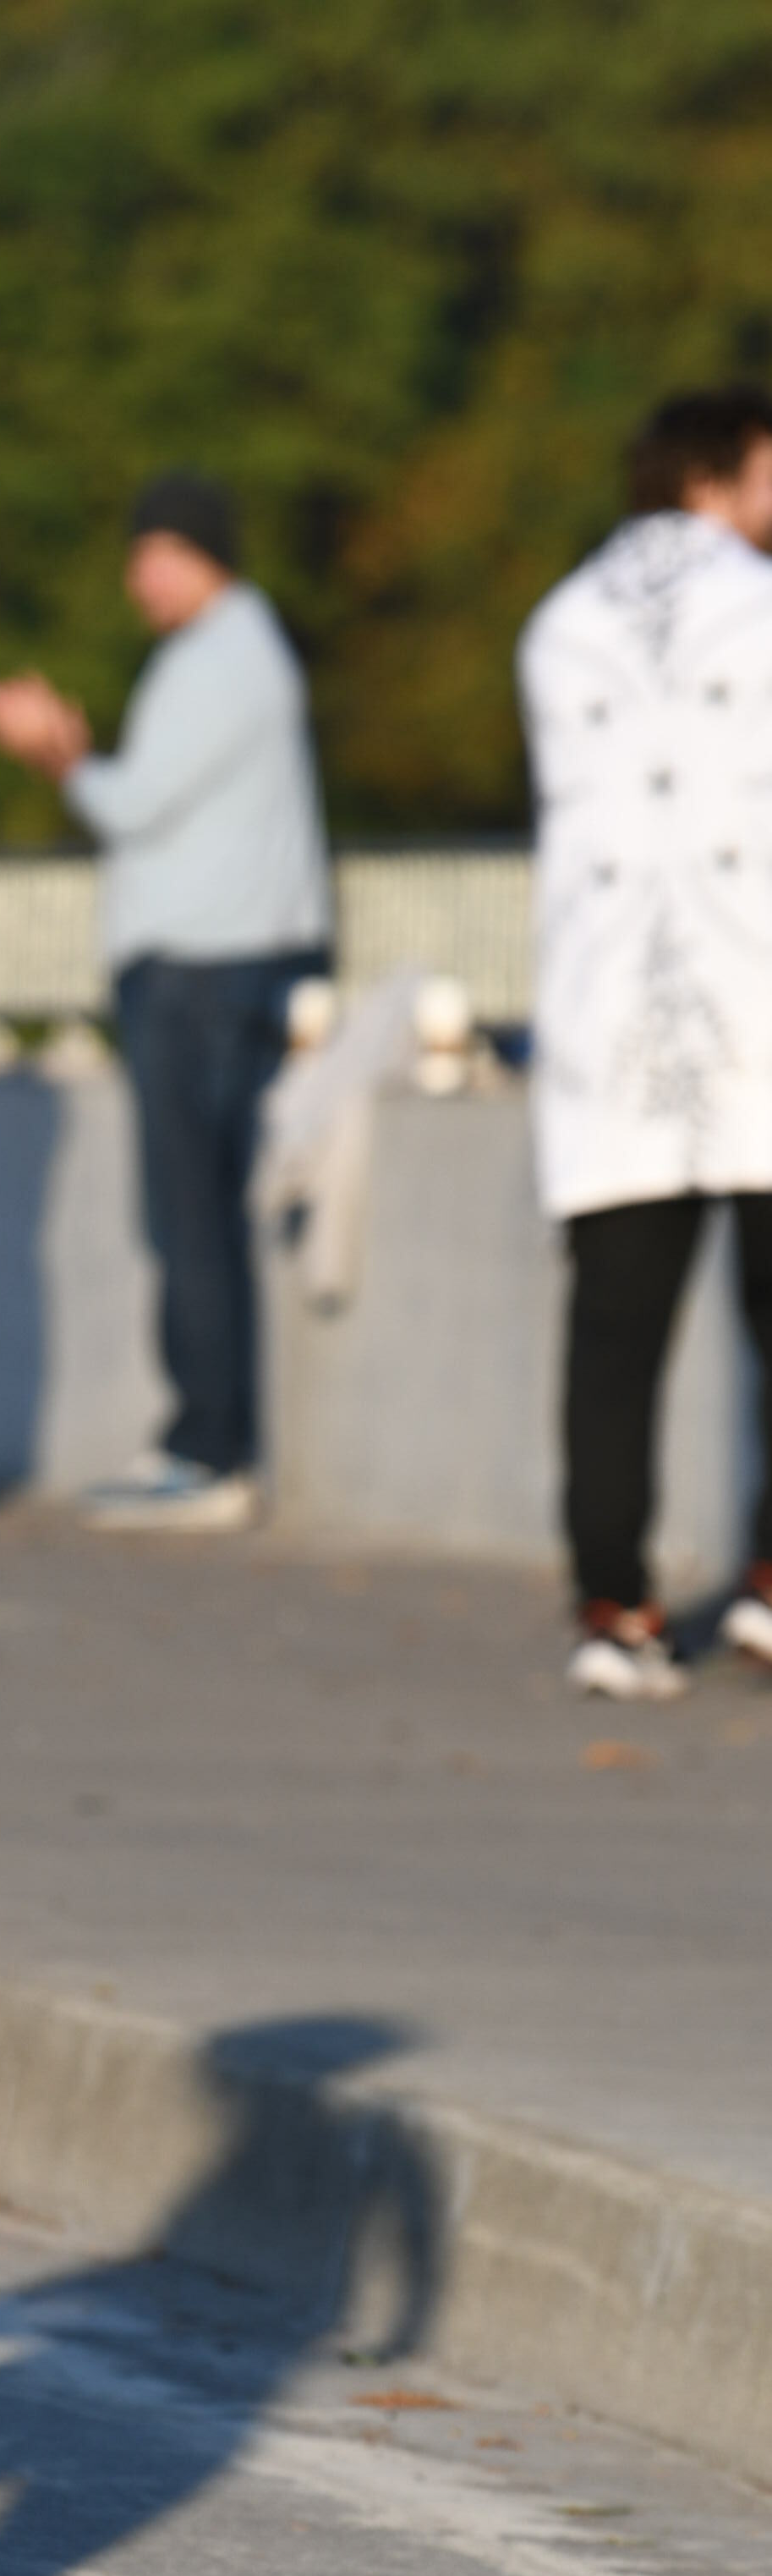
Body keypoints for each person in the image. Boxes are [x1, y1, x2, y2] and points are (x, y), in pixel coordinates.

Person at [0, 470, 330, 1529]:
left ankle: (206, 1452)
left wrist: (58, 753)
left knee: (189, 1214)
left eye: (150, 557)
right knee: (200, 1210)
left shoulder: (216, 659)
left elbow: (130, 805)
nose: (138, 582)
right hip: (226, 962)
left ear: (193, 552)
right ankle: (208, 1442)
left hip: (201, 969)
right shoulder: (244, 652)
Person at [517, 386, 772, 1701]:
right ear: (719, 476)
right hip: (756, 1001)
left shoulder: (560, 622)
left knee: (616, 1337)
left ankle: (612, 1604)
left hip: (609, 1018)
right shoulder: (761, 601)